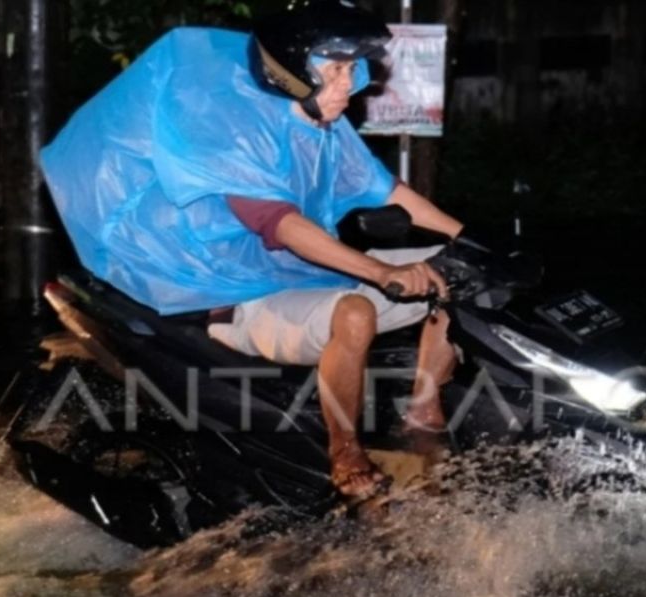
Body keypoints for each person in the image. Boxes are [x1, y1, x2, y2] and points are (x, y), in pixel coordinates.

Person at [40, 0, 463, 500]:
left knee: (455, 271)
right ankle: (345, 453)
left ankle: (423, 410)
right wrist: (375, 270)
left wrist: (468, 240)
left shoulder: (323, 127)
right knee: (353, 315)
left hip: (294, 275)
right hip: (235, 292)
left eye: (351, 69)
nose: (349, 83)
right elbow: (281, 226)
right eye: (336, 70)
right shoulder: (232, 135)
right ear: (292, 74)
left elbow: (387, 190)